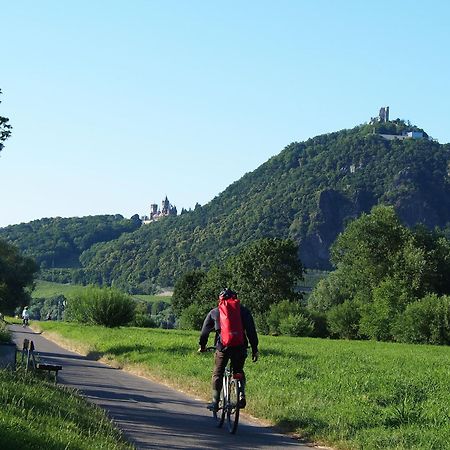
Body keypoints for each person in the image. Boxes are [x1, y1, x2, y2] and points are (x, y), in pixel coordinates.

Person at [198, 288, 259, 411]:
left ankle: (215, 402)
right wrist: (254, 349)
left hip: (223, 348)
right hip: (240, 347)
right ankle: (241, 394)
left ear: (220, 300)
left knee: (218, 373)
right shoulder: (244, 311)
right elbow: (251, 332)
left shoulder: (215, 312)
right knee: (238, 371)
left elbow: (204, 332)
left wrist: (203, 346)